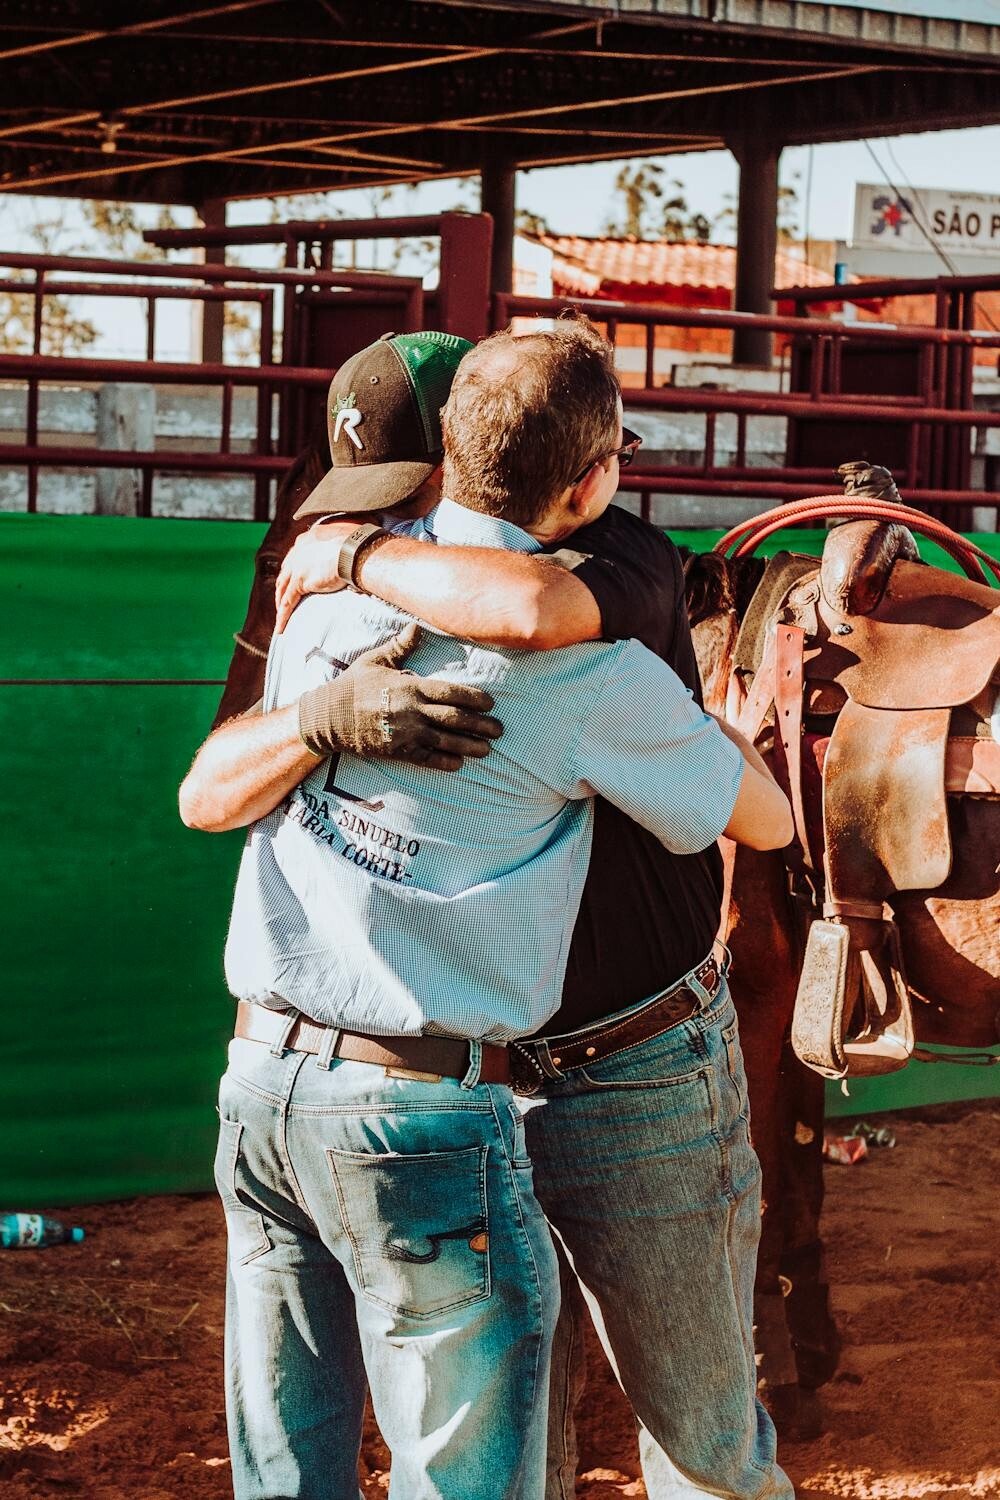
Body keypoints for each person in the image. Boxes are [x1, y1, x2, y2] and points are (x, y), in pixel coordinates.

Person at [181, 323, 793, 1500]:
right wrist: (313, 717)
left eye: (391, 496)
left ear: (453, 460)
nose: (361, 521)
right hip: (445, 1080)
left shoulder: (599, 571)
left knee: (664, 1438)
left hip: (605, 1063)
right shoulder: (334, 596)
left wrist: (356, 565)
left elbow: (526, 606)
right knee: (496, 1458)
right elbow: (208, 790)